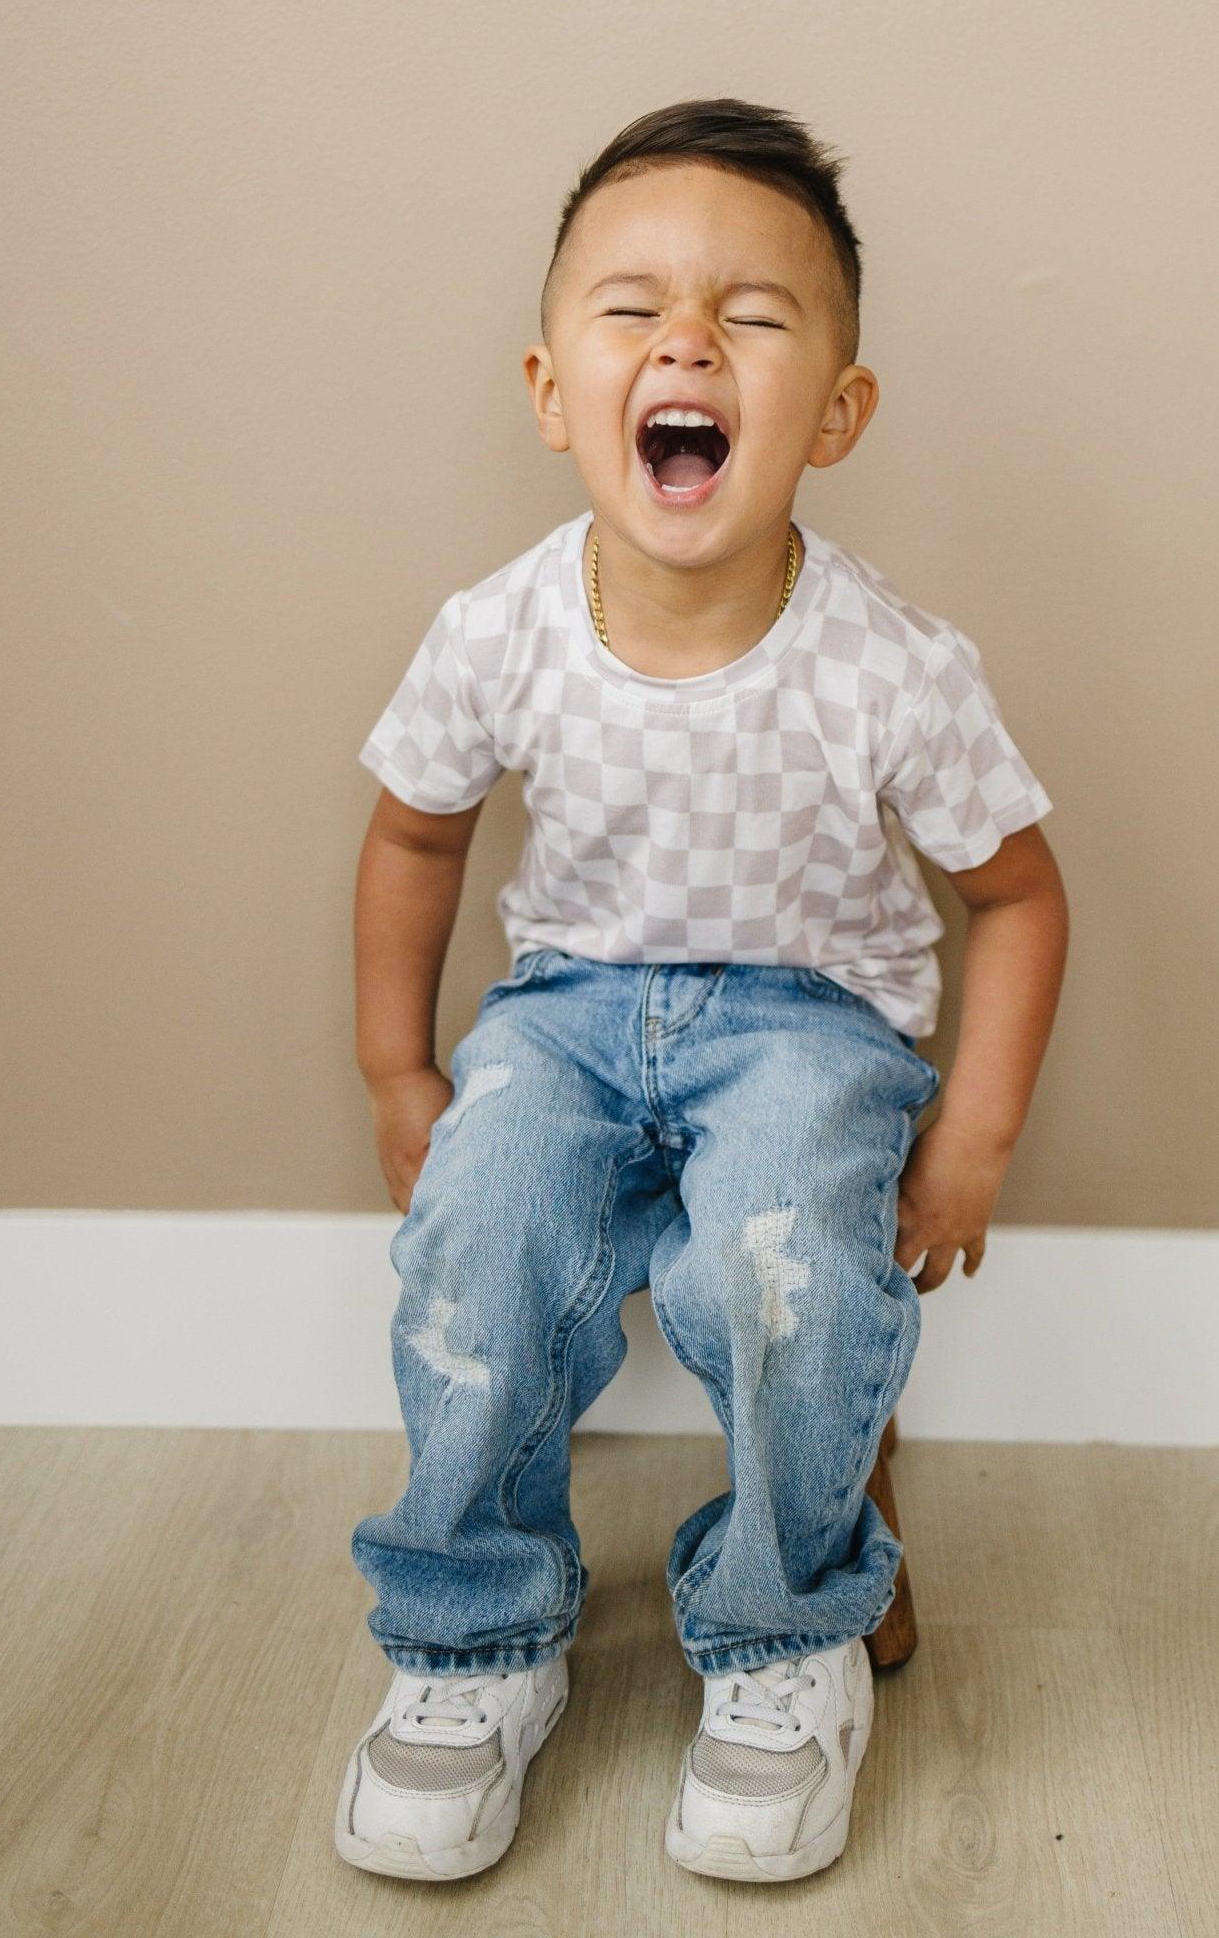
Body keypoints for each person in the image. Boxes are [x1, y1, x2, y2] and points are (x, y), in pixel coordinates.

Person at [333, 96, 1069, 1887]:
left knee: (785, 1255)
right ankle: (468, 1642)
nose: (684, 342)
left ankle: (785, 1629)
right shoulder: (493, 631)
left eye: (748, 316)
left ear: (832, 411)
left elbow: (1018, 895)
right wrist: (397, 1077)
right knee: (482, 1233)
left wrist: (968, 1137)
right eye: (631, 309)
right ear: (548, 389)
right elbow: (416, 842)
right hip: (570, 1013)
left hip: (807, 1023)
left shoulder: (891, 665)